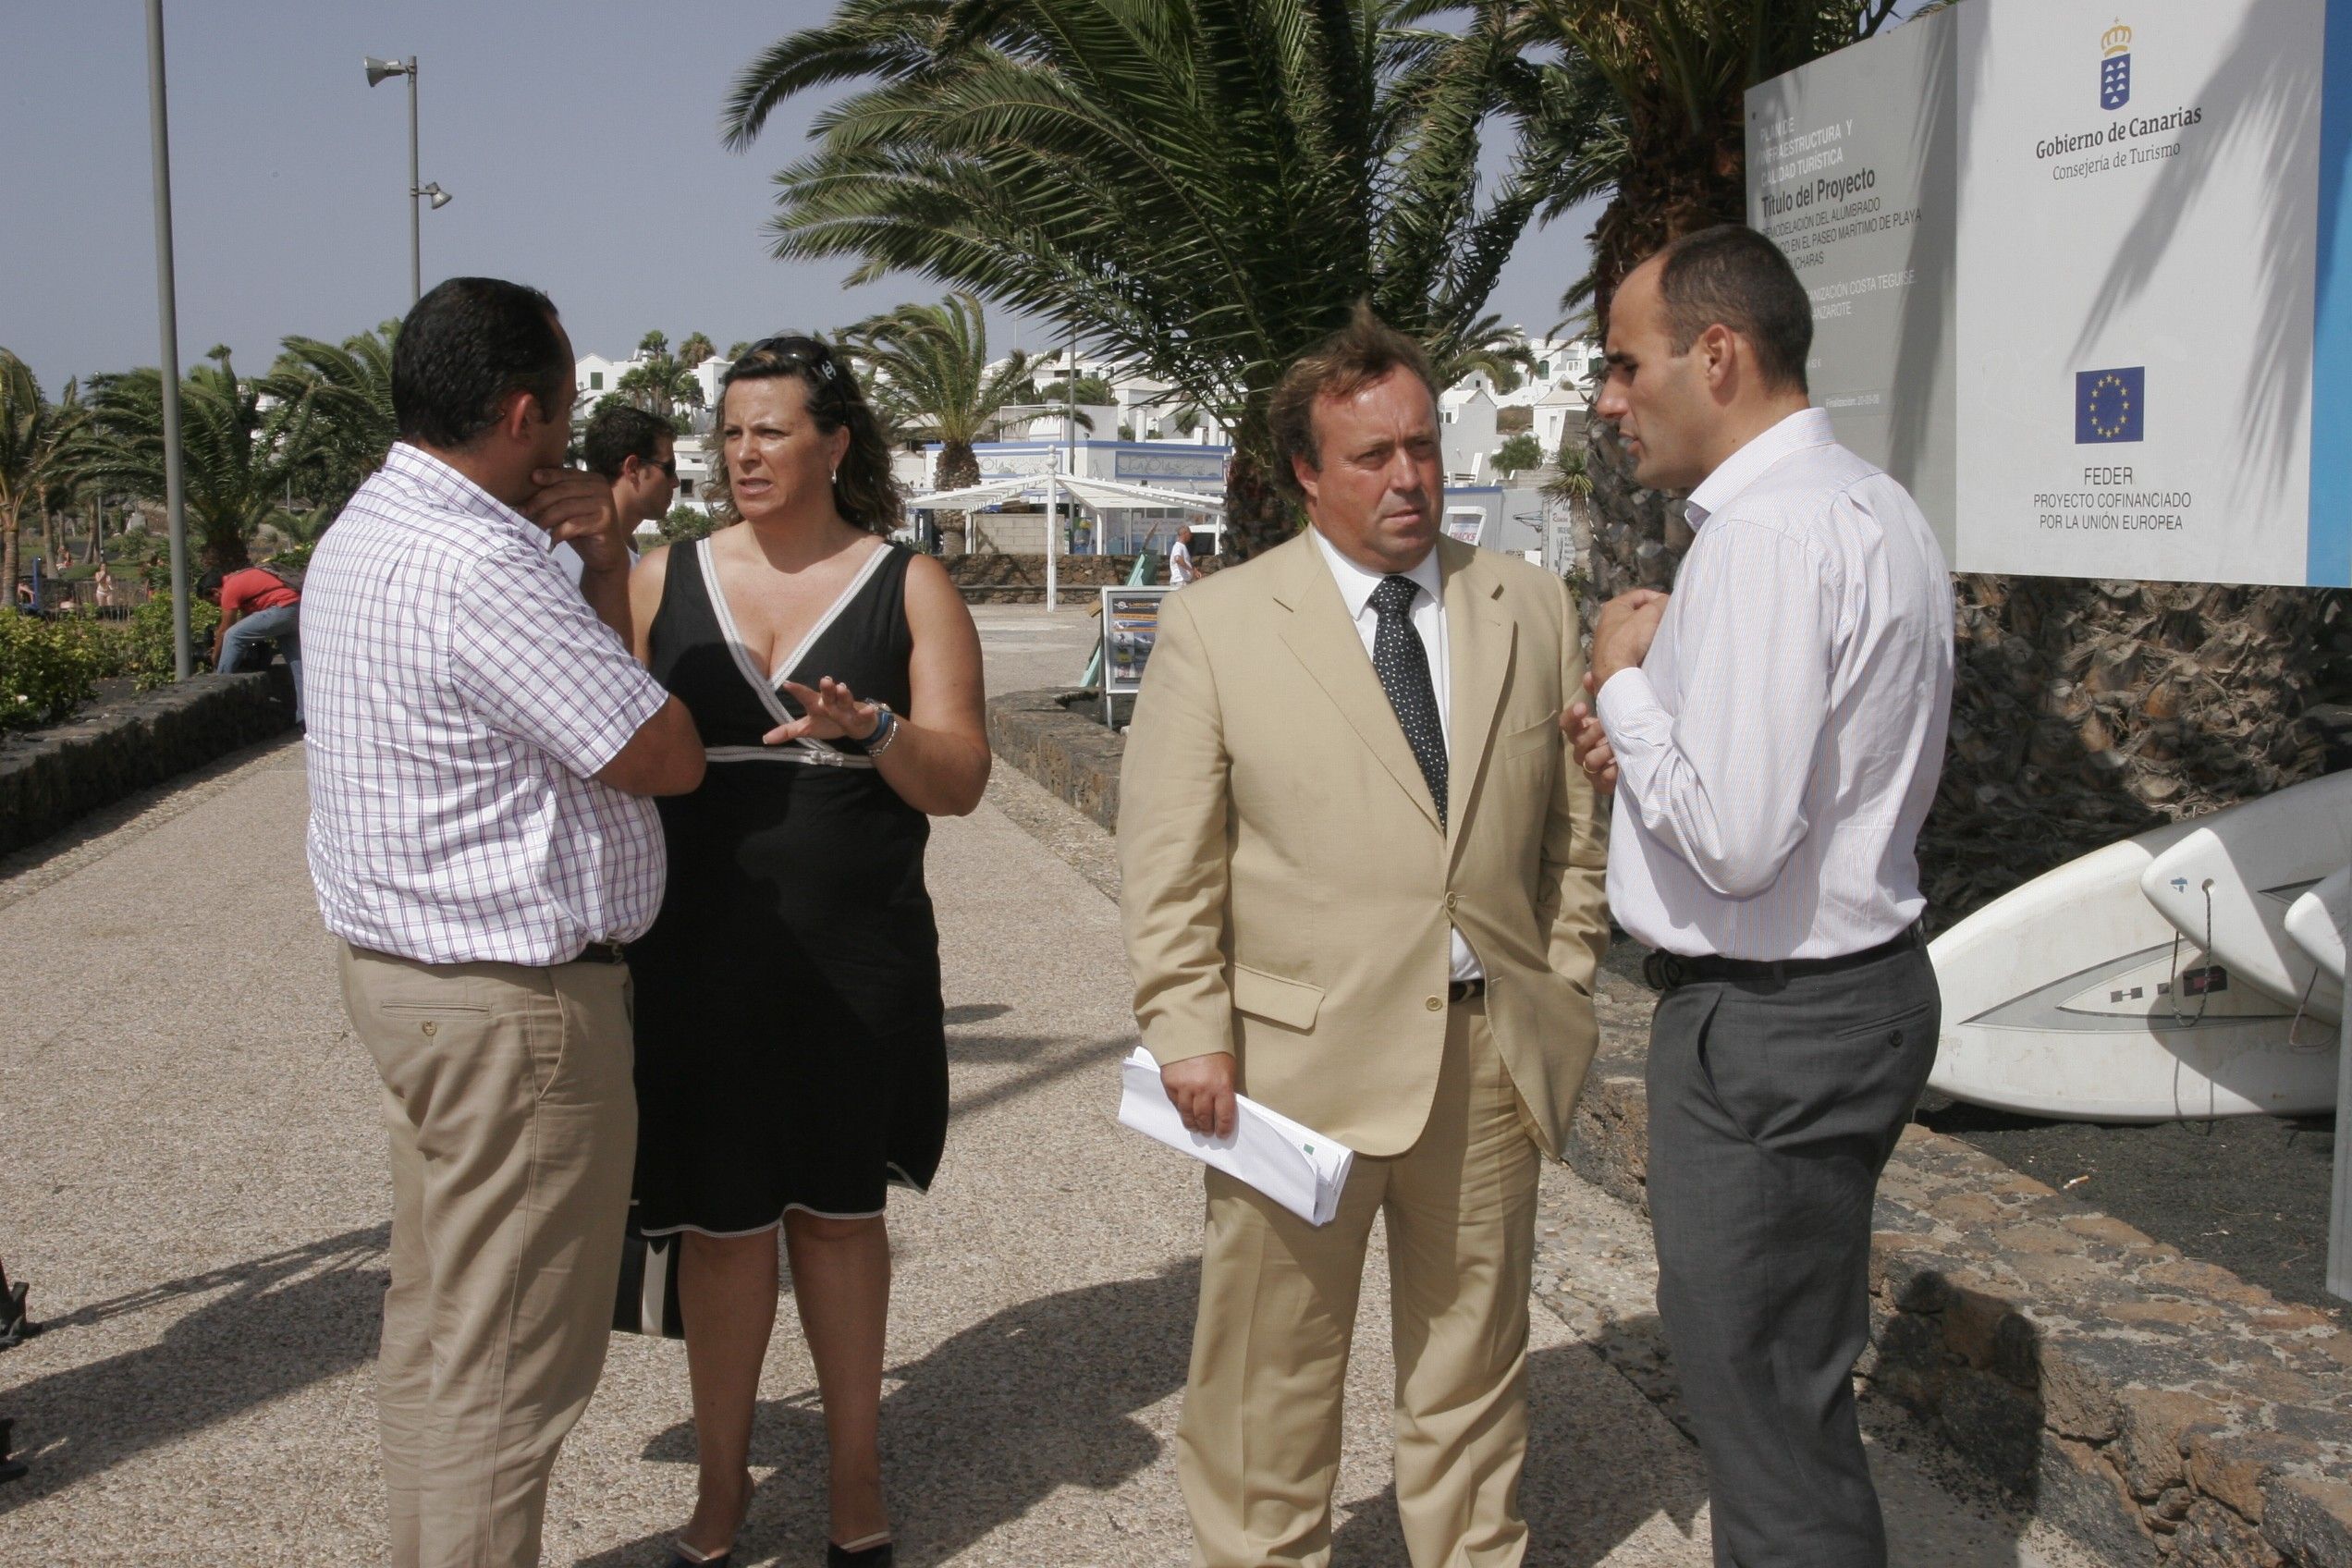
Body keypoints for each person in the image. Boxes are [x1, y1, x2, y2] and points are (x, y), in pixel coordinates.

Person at [1119, 305, 1611, 1568]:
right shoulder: (1220, 624)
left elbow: (1572, 832)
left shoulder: (1530, 605)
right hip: (1290, 1071)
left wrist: (1563, 986)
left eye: (1422, 447)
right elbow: (1172, 861)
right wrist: (1188, 1031)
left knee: (1473, 1370)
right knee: (1266, 1376)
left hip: (1490, 1060)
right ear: (1303, 473)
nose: (1408, 479)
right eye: (1372, 457)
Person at [301, 276, 706, 1568]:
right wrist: (600, 566)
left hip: (413, 987)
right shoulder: (476, 565)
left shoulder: (365, 529)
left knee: (444, 1334)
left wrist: (587, 559)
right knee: (511, 1372)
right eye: (569, 417)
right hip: (512, 1016)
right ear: (523, 413)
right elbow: (661, 749)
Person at [1565, 225, 1954, 1568]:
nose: (1609, 401)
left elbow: (1735, 839)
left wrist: (1621, 671)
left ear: (1716, 355)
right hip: (1850, 996)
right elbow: (1817, 784)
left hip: (1773, 1031)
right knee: (1785, 1393)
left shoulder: (1765, 539)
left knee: (1764, 1423)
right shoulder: (1875, 506)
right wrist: (1657, 732)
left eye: (1625, 365)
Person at [624, 334, 989, 1568]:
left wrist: (876, 727)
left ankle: (852, 1479)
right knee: (721, 1232)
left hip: (856, 957)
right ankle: (720, 1492)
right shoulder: (654, 579)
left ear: (834, 443)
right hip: (697, 953)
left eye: (771, 431)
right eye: (730, 433)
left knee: (837, 1217)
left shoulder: (910, 585)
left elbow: (963, 780)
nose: (744, 454)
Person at [559, 401, 676, 586]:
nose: (676, 482)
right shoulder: (577, 556)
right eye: (669, 468)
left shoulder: (624, 549)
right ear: (633, 469)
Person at [201, 562, 304, 721]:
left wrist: (215, 656)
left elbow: (225, 630)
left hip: (281, 609)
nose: (215, 605)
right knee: (298, 666)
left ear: (215, 592)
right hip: (295, 608)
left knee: (233, 635)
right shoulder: (240, 578)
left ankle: (220, 680)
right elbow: (250, 622)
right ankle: (304, 718)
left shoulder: (229, 588)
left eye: (211, 601)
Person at [1166, 522, 1197, 586]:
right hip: (1180, 581)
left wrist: (1194, 571)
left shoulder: (1182, 546)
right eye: (1189, 533)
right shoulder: (1178, 546)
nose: (1191, 536)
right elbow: (1178, 559)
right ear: (1185, 533)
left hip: (1182, 581)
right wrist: (1190, 569)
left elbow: (1185, 561)